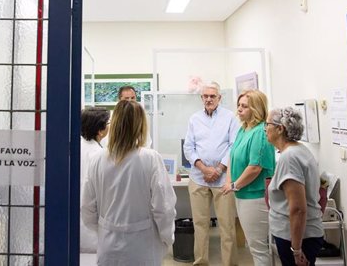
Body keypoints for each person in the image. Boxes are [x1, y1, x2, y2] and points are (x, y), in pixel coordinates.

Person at [81, 100, 176, 265]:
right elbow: (164, 208)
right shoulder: (150, 158)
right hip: (143, 247)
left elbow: (87, 208)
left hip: (108, 246)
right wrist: (167, 238)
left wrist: (105, 229)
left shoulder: (97, 159)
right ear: (141, 125)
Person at [183, 82, 240, 266]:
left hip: (223, 179)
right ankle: (201, 262)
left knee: (227, 226)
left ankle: (229, 263)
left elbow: (234, 146)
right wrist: (203, 168)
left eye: (212, 96)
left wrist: (220, 169)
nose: (208, 99)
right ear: (201, 98)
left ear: (219, 98)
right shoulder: (194, 119)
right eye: (205, 96)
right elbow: (188, 147)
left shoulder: (230, 117)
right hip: (198, 179)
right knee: (200, 225)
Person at [221, 89, 275, 266]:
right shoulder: (244, 129)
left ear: (256, 109)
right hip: (242, 194)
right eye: (239, 105)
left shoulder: (260, 132)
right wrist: (229, 181)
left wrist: (235, 184)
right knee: (254, 246)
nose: (239, 109)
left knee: (258, 247)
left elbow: (255, 167)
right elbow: (232, 156)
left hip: (255, 196)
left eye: (244, 106)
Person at [265, 107, 324, 266]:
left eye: (267, 124)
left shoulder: (289, 157)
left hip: (298, 237)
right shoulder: (298, 150)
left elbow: (298, 208)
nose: (265, 128)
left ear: (279, 129)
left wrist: (296, 250)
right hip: (300, 234)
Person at [79, 106, 111, 253]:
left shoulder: (78, 146)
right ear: (100, 130)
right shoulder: (98, 154)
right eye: (108, 123)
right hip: (91, 222)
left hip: (77, 219)